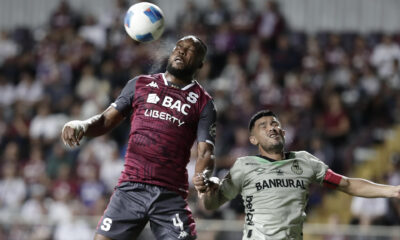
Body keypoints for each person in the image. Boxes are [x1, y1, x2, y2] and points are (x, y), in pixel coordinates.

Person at [61, 35, 217, 240]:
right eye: (178, 47)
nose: (181, 51)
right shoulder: (140, 84)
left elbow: (206, 151)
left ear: (200, 63)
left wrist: (202, 175)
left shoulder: (204, 102)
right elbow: (106, 120)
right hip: (131, 188)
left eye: (190, 51)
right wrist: (81, 124)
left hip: (170, 194)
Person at [194, 110, 400, 240]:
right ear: (253, 140)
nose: (271, 128)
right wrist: (208, 191)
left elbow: (347, 184)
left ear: (284, 133)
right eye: (263, 126)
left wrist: (392, 190)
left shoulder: (304, 161)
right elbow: (213, 204)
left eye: (275, 124)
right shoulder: (244, 165)